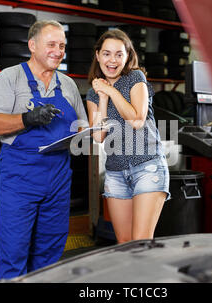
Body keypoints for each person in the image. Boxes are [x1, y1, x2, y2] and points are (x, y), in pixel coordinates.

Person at [0, 20, 88, 280]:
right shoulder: (10, 77)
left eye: (62, 45)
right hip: (21, 177)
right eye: (51, 44)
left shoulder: (69, 85)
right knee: (14, 251)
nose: (58, 51)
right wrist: (28, 118)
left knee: (50, 253)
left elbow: (81, 126)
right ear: (32, 45)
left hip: (59, 177)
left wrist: (86, 132)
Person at [86, 29, 170, 244]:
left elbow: (136, 120)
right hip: (115, 173)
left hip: (147, 167)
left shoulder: (135, 78)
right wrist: (103, 98)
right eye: (106, 53)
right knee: (125, 245)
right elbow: (98, 135)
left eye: (118, 54)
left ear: (127, 57)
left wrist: (112, 91)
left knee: (141, 242)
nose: (112, 60)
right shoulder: (94, 91)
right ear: (97, 55)